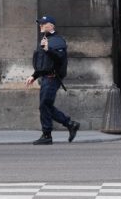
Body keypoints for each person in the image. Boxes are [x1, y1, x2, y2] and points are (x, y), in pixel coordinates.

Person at [25, 15, 80, 145]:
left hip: (52, 78)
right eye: (40, 24)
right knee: (46, 106)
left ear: (51, 26)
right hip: (46, 78)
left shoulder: (57, 40)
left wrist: (48, 50)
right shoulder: (46, 39)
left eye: (43, 24)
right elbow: (43, 63)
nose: (41, 26)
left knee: (44, 105)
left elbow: (60, 57)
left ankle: (47, 135)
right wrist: (34, 76)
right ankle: (69, 124)